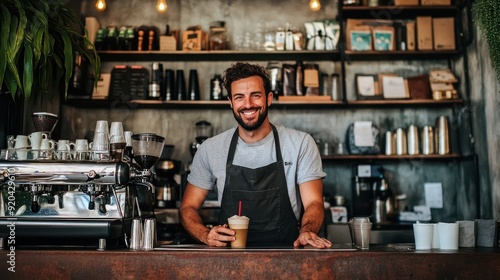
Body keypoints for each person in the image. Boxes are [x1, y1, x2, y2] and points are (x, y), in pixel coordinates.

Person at [179, 62, 332, 249]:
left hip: (288, 256)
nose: (248, 104)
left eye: (255, 95)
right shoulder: (211, 148)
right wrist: (205, 235)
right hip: (228, 262)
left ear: (269, 98)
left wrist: (308, 230)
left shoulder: (300, 143)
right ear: (230, 102)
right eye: (239, 97)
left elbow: (314, 203)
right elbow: (187, 208)